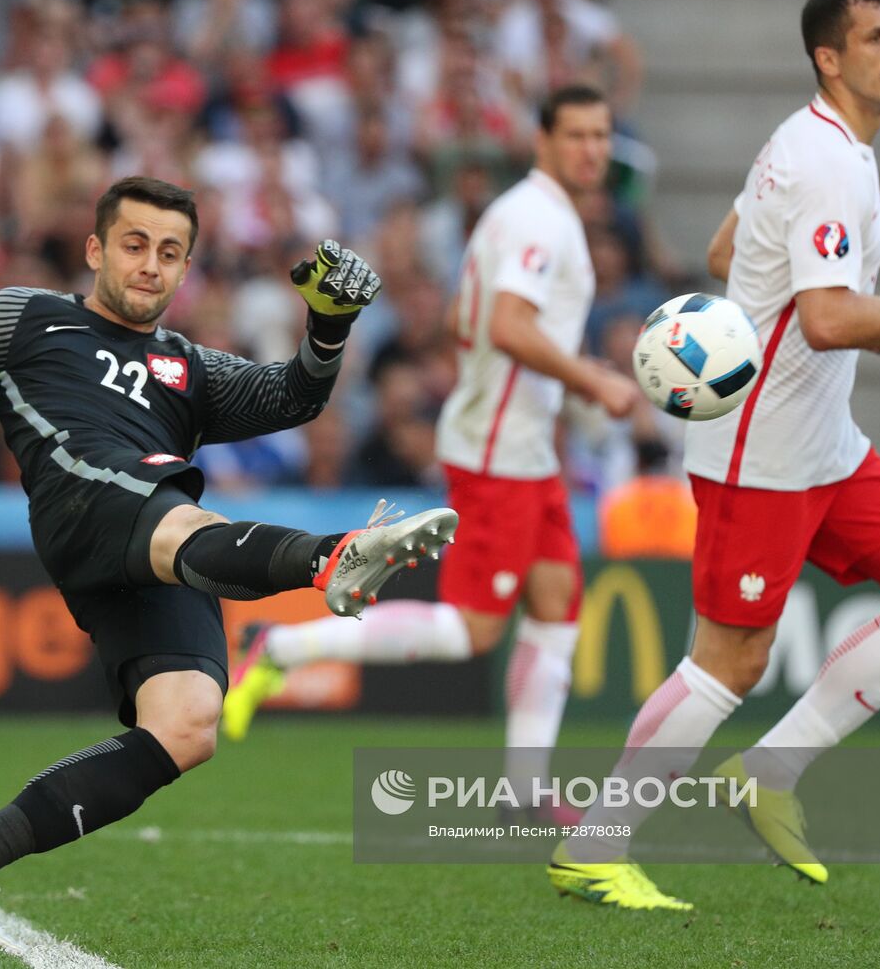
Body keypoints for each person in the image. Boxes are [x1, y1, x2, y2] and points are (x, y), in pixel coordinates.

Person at [0, 176, 458, 955]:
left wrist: (328, 328)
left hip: (154, 532)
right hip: (85, 505)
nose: (151, 266)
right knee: (179, 512)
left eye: (171, 253)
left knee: (188, 725)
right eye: (134, 245)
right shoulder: (24, 315)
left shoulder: (186, 365)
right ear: (96, 249)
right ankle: (331, 557)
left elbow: (290, 397)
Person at [548, 0, 880, 911]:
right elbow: (828, 318)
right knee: (730, 663)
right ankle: (594, 847)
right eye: (879, 35)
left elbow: (729, 254)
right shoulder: (827, 162)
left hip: (826, 444)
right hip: (759, 454)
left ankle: (767, 772)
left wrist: (831, 314)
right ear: (828, 57)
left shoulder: (812, 142)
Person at [221, 85, 640, 822]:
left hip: (524, 445)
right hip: (500, 452)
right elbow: (508, 325)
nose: (592, 149)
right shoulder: (541, 221)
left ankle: (524, 786)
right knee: (472, 630)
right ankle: (278, 646)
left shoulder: (517, 216)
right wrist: (593, 382)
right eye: (576, 134)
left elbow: (463, 314)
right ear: (542, 140)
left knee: (555, 602)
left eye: (602, 135)